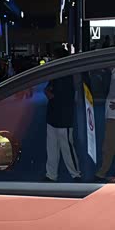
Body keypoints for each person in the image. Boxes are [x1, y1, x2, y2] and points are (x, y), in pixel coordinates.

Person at [45, 52, 81, 182]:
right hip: (55, 114)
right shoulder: (58, 75)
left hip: (63, 116)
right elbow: (48, 90)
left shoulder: (67, 75)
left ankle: (75, 173)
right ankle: (51, 174)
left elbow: (51, 92)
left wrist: (50, 93)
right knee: (53, 147)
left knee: (66, 146)